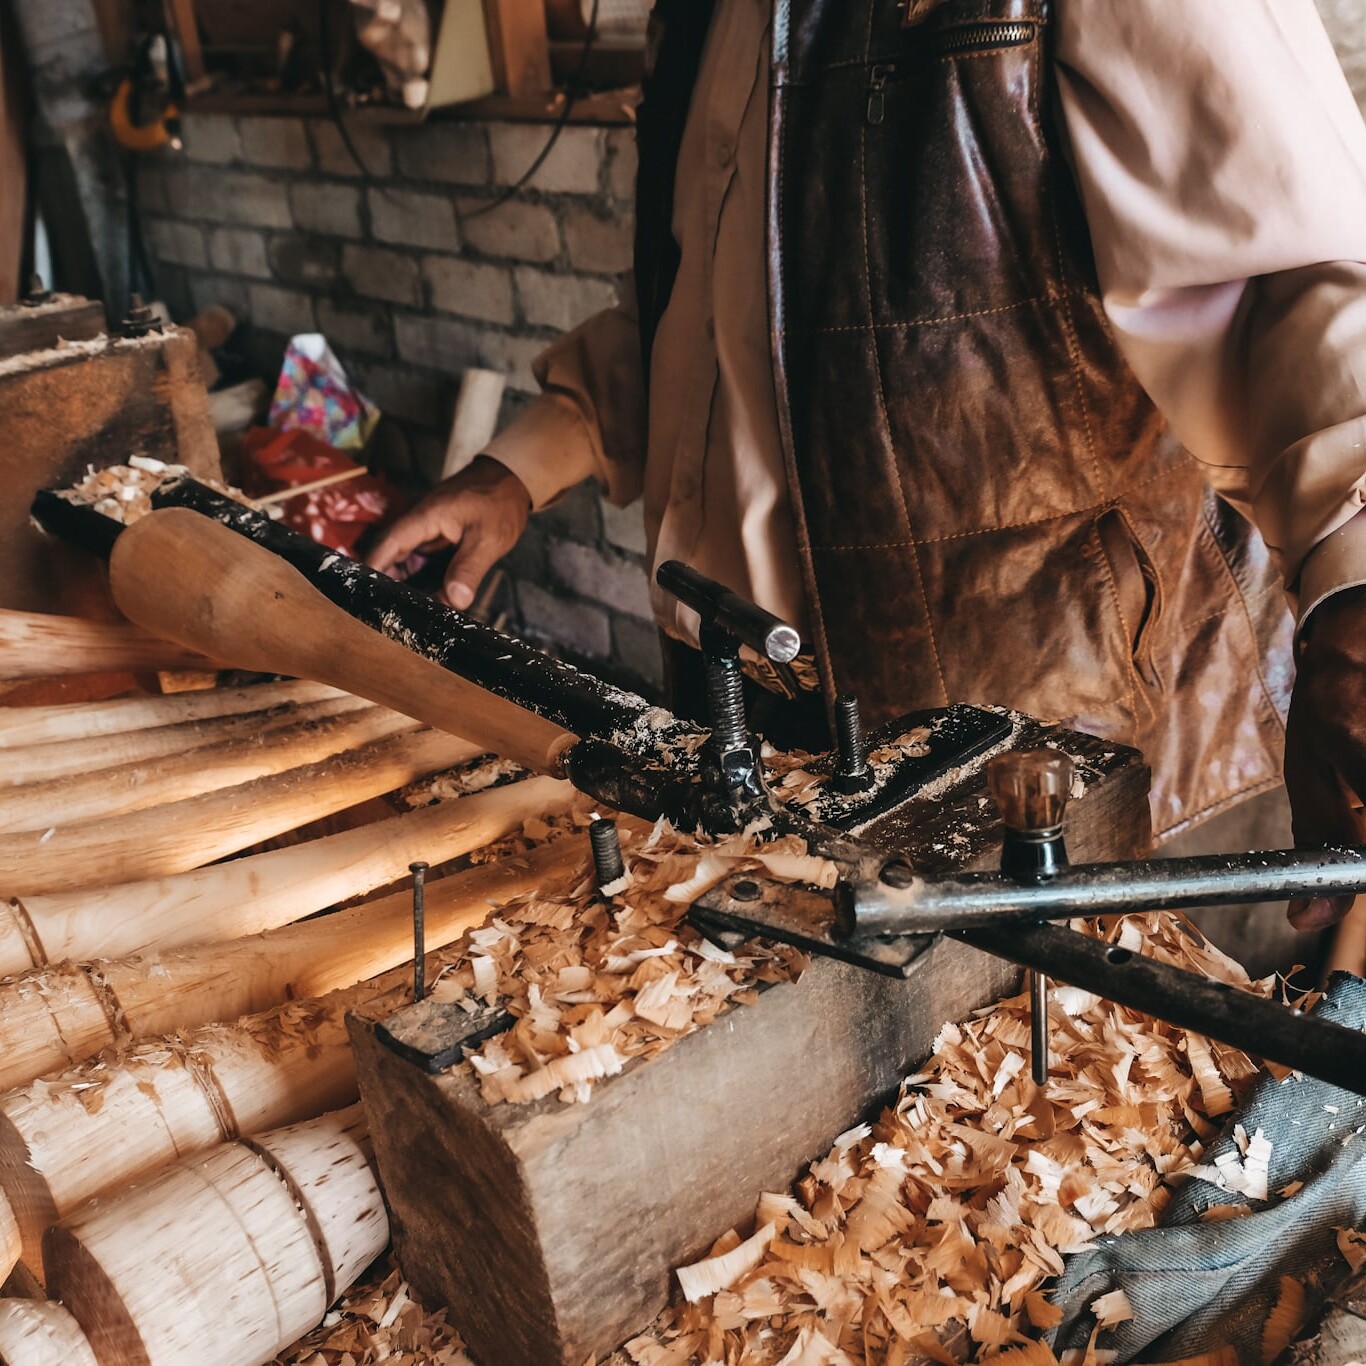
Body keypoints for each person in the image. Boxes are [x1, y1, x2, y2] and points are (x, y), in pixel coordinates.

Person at [369, 0, 1366, 934]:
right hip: (758, 745)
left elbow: (1304, 275)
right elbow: (711, 316)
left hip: (1069, 756)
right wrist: (525, 462)